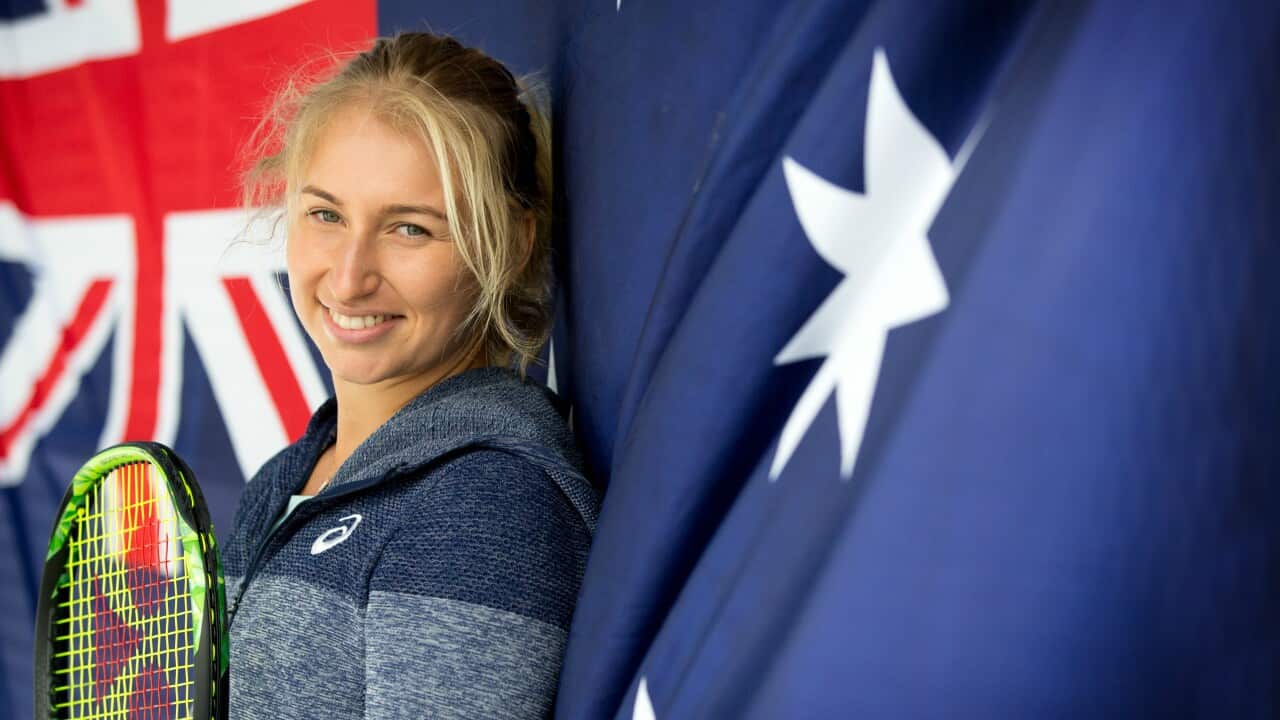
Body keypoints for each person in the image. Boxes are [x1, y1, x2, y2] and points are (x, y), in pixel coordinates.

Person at [222, 32, 598, 719]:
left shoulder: (484, 504)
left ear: (511, 245)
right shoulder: (287, 480)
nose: (348, 276)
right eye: (326, 215)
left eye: (410, 229)